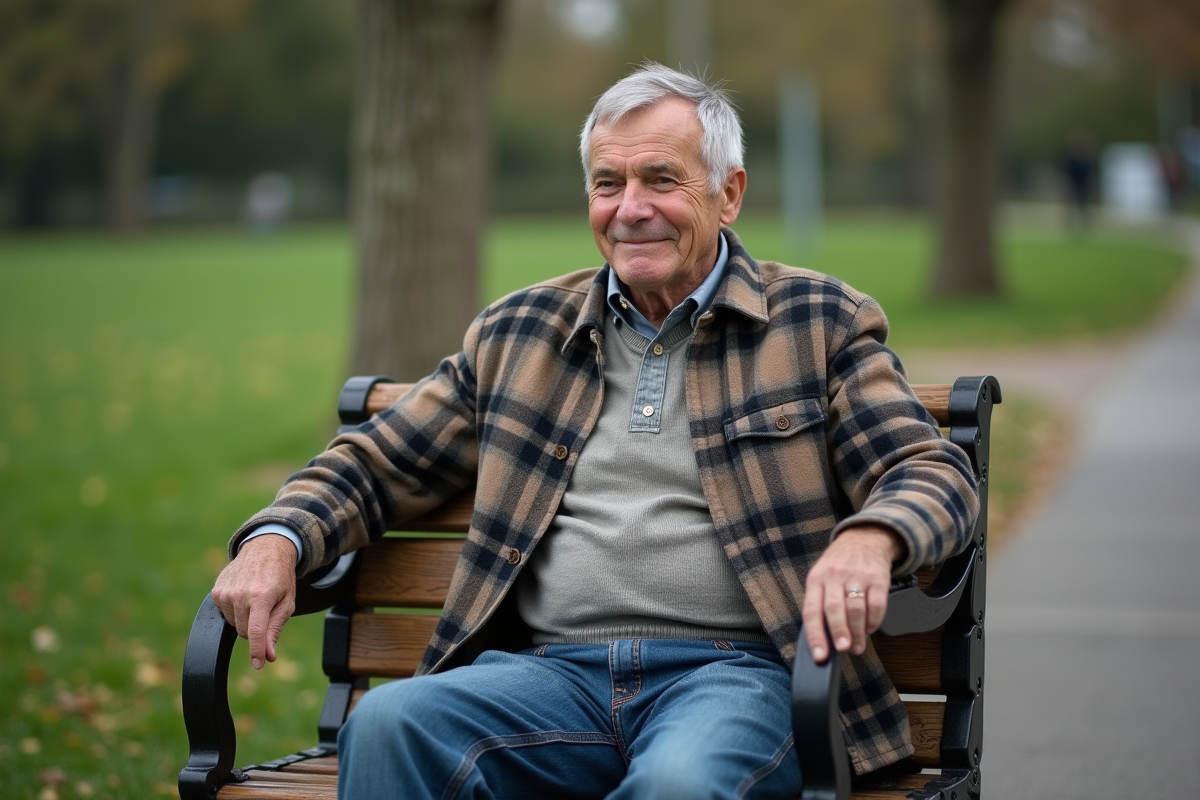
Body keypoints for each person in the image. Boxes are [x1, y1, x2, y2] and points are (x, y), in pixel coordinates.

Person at [211, 63, 979, 799]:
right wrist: (278, 537)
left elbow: (933, 473)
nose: (629, 207)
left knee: (679, 785)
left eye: (661, 179)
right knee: (386, 724)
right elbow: (375, 465)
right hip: (548, 680)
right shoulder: (519, 333)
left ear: (729, 192)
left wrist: (871, 537)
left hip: (740, 678)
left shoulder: (817, 322)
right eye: (608, 183)